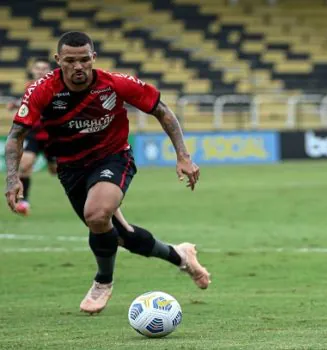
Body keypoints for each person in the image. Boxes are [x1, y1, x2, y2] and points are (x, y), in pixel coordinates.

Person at [4, 31, 211, 315]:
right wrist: (13, 178)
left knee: (97, 215)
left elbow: (161, 110)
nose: (78, 67)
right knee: (121, 236)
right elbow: (17, 134)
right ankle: (181, 256)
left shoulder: (115, 84)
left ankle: (103, 281)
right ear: (58, 60)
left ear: (93, 58)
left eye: (84, 60)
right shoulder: (42, 90)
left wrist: (183, 156)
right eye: (70, 61)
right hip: (72, 169)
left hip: (113, 158)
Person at [6, 58, 56, 215]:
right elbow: (27, 102)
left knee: (55, 170)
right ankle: (24, 201)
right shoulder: (30, 87)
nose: (41, 71)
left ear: (49, 70)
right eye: (38, 68)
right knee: (25, 166)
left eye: (44, 68)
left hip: (52, 136)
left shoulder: (56, 87)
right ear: (33, 70)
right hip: (34, 134)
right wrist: (16, 104)